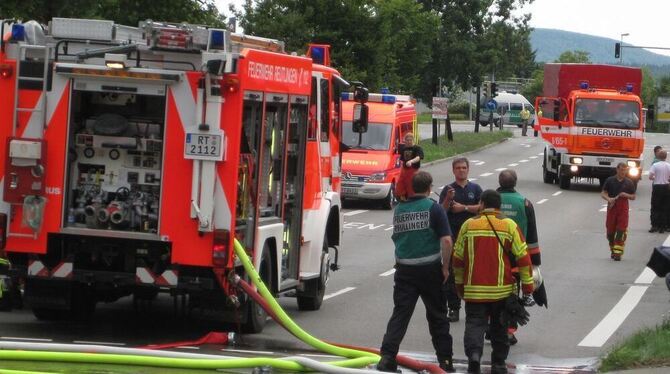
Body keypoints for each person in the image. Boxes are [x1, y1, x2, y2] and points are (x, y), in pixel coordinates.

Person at [378, 171, 454, 372]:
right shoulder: (434, 209)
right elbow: (446, 241)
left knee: (400, 314)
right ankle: (445, 361)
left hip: (404, 270)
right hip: (430, 270)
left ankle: (387, 357)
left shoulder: (400, 210)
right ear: (429, 188)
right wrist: (445, 267)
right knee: (438, 316)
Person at [453, 190, 534, 374]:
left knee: (474, 324)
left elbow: (457, 259)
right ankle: (498, 363)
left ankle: (474, 356)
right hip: (502, 291)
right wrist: (528, 288)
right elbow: (523, 258)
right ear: (499, 205)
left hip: (474, 290)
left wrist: (459, 285)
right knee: (499, 327)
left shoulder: (468, 225)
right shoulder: (509, 225)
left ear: (481, 203)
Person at [497, 169, 543, 345]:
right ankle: (508, 332)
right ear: (515, 182)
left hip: (491, 255)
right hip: (515, 257)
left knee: (490, 293)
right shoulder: (524, 203)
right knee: (512, 296)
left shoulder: (490, 201)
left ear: (500, 182)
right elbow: (531, 236)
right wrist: (535, 261)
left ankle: (490, 327)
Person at [438, 157, 483, 323]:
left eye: (464, 167)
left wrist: (463, 208)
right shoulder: (448, 189)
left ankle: (474, 308)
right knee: (451, 274)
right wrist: (448, 200)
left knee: (473, 274)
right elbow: (440, 212)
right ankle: (453, 308)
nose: (461, 170)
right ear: (453, 170)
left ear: (468, 169)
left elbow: (483, 208)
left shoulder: (476, 188)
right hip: (453, 236)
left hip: (472, 237)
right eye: (458, 168)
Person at [601, 163, 637, 261]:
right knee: (610, 231)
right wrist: (609, 199)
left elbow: (633, 196)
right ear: (617, 170)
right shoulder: (610, 180)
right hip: (612, 207)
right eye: (621, 170)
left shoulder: (629, 182)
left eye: (625, 170)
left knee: (621, 230)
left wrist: (626, 195)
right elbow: (603, 193)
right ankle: (613, 248)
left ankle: (618, 253)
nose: (623, 172)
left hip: (623, 207)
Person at [395, 133, 424, 201]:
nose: (409, 141)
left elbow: (418, 157)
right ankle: (403, 198)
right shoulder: (403, 149)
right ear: (405, 141)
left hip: (413, 171)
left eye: (410, 140)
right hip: (404, 170)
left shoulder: (417, 148)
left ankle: (412, 199)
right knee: (400, 185)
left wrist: (411, 161)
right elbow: (401, 159)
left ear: (413, 140)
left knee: (411, 186)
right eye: (407, 140)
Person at [648, 150, 670, 233]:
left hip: (657, 187)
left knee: (655, 207)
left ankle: (654, 225)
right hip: (666, 187)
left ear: (658, 156)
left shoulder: (655, 165)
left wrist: (655, 178)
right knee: (665, 207)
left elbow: (650, 176)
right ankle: (663, 226)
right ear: (665, 157)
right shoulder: (668, 165)